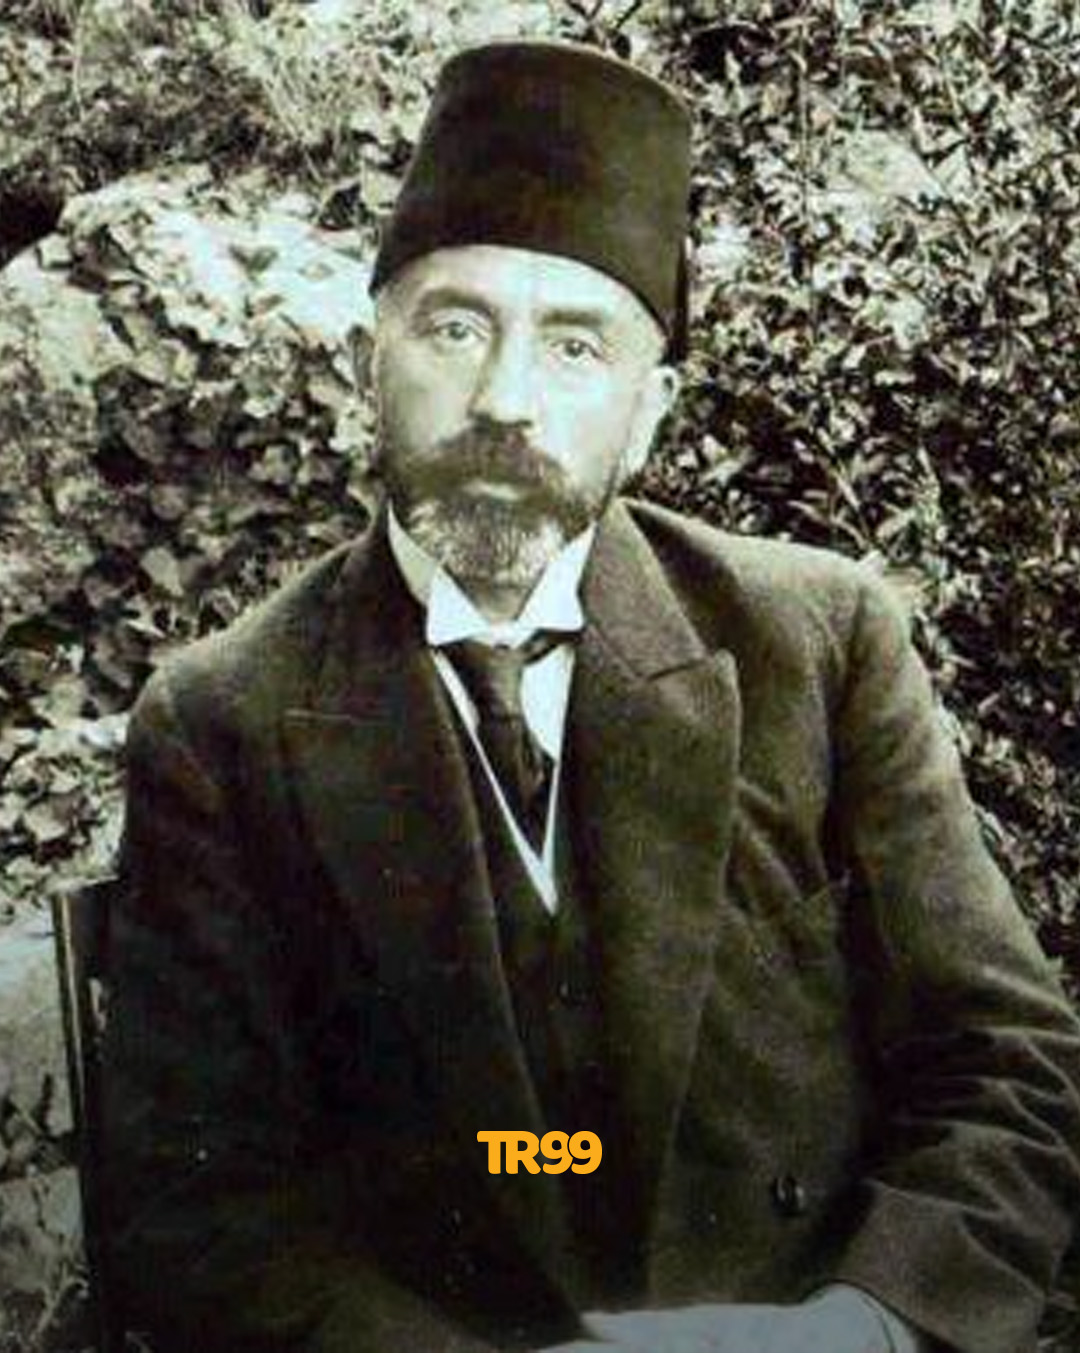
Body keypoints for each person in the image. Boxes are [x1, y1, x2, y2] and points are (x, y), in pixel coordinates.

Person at [100, 39, 1080, 1353]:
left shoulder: (815, 642)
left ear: (650, 409)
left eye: (575, 345)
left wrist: (861, 1327)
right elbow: (198, 1210)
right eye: (456, 327)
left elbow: (1010, 1057)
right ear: (368, 357)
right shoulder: (223, 721)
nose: (505, 401)